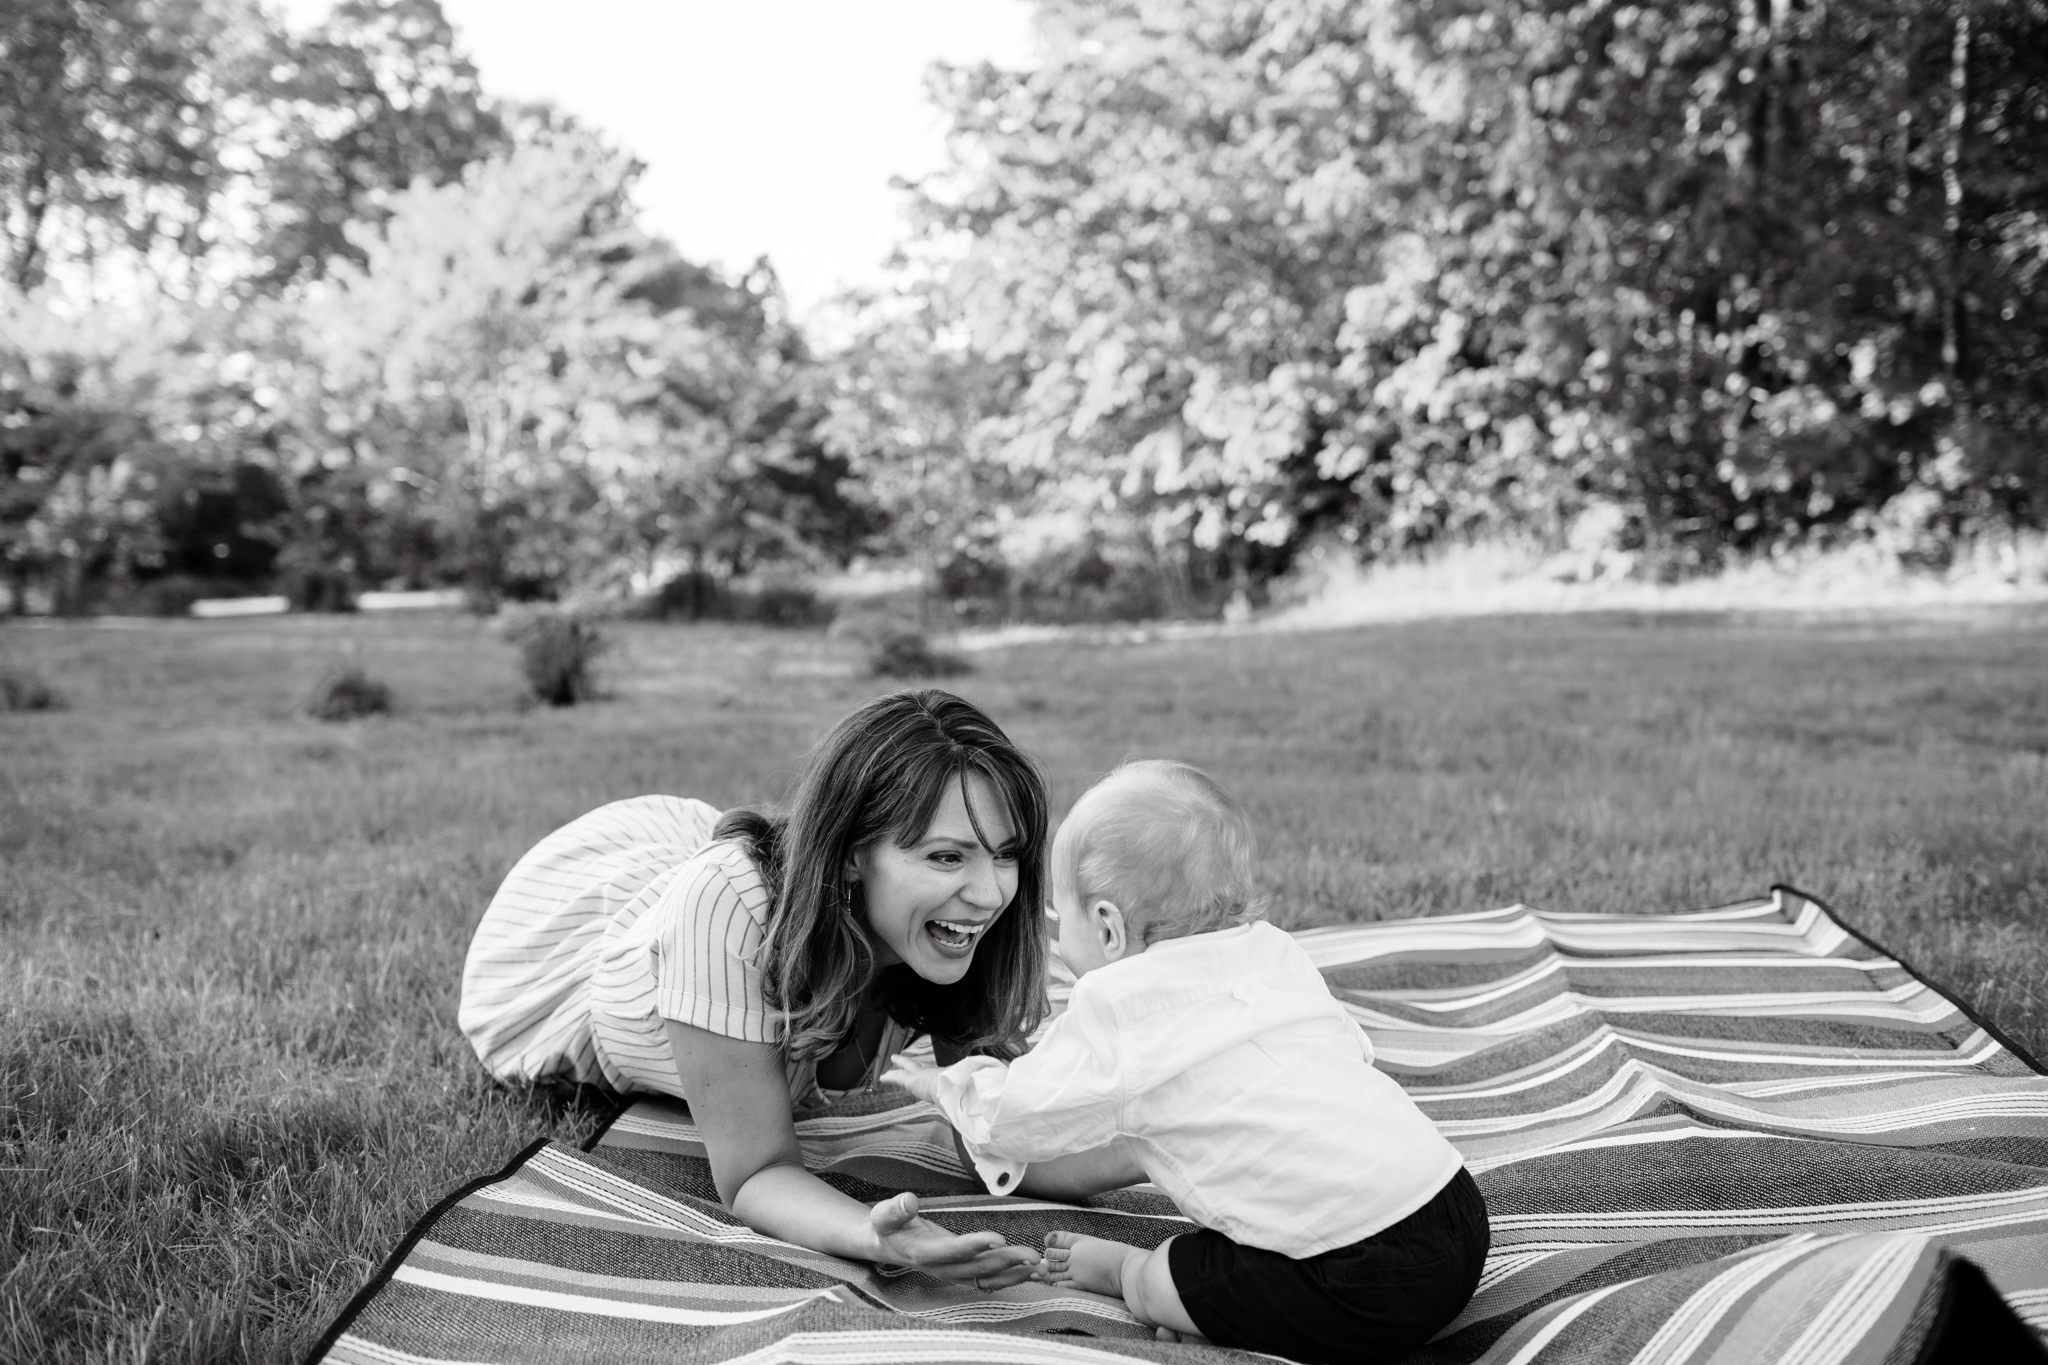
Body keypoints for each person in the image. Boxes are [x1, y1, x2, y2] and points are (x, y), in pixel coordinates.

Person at [883, 760, 1488, 1363]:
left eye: (1060, 921)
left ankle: (1127, 1274)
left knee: (1184, 1272)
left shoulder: (1120, 1009)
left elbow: (1025, 1111)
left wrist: (946, 1084)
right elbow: (1353, 1051)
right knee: (1266, 1253)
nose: (1057, 941)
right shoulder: (1274, 952)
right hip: (1455, 1213)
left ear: (1108, 928)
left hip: (1355, 1277)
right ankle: (1253, 1317)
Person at [458, 689, 1048, 1290]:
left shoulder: (954, 926)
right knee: (714, 896)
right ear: (850, 854)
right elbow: (756, 1172)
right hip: (558, 954)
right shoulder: (730, 907)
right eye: (947, 856)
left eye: (1006, 855)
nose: (989, 894)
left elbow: (1000, 1137)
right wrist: (874, 1236)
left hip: (711, 871)